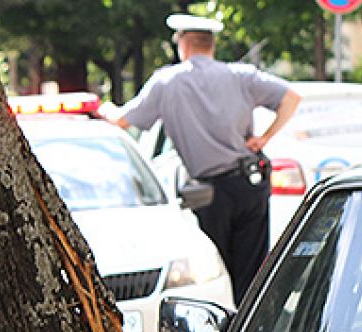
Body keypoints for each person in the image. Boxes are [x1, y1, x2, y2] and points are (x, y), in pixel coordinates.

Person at [103, 13, 301, 305]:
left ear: (183, 43)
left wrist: (105, 108)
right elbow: (291, 98)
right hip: (249, 183)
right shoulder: (241, 75)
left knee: (215, 274)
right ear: (212, 45)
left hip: (209, 195)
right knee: (251, 273)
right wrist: (265, 138)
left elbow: (122, 121)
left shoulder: (167, 82)